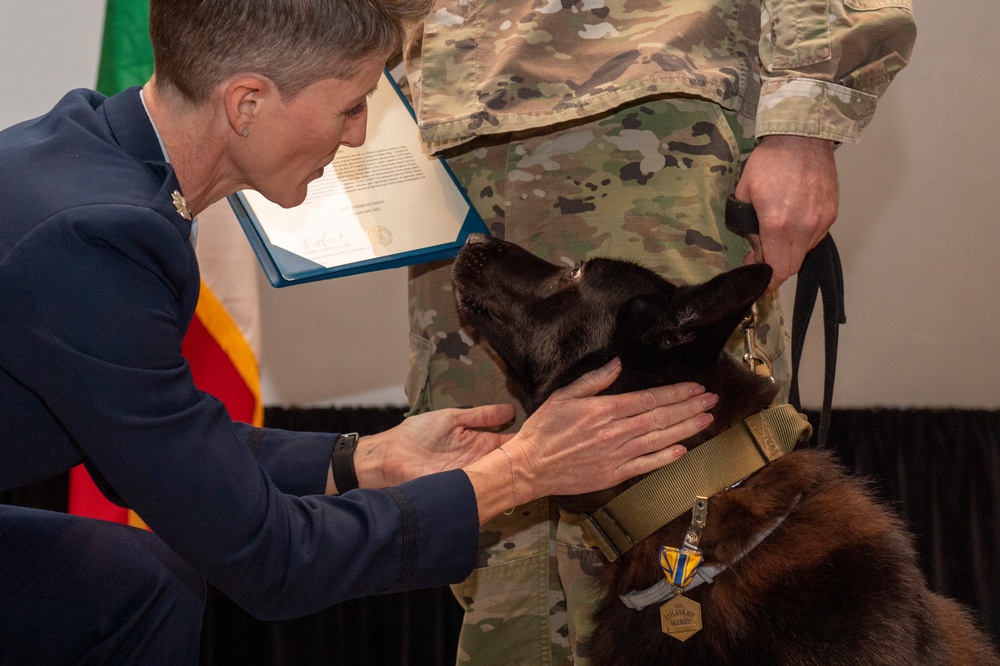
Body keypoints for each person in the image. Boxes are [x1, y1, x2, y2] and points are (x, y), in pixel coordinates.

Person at [0, 0, 721, 662]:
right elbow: (271, 560)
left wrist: (366, 459)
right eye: (350, 106)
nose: (360, 136)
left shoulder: (98, 158)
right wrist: (520, 471)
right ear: (246, 102)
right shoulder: (98, 244)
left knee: (140, 585)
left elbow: (163, 446)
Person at [401, 0, 917, 663]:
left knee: (701, 573)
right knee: (501, 565)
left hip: (644, 110)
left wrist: (805, 118)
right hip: (447, 133)